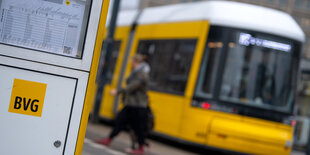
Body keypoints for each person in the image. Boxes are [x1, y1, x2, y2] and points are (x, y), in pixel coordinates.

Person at [96, 54, 150, 155]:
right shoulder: (137, 72)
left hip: (138, 105)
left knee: (138, 127)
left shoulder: (142, 73)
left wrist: (118, 91)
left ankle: (141, 148)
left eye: (131, 61)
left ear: (135, 62)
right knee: (120, 121)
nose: (130, 62)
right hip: (131, 104)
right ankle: (108, 139)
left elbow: (133, 86)